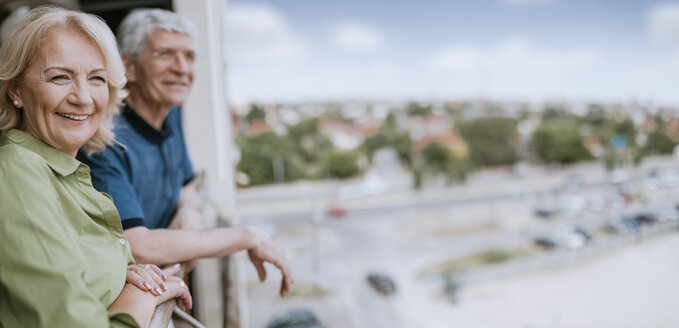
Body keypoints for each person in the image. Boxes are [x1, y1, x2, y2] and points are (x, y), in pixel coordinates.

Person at [77, 8, 293, 297]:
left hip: (163, 286)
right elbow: (137, 245)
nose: (181, 68)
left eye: (189, 57)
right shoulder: (105, 138)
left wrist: (189, 210)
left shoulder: (171, 111)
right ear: (128, 66)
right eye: (165, 54)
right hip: (115, 298)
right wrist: (247, 236)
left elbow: (186, 183)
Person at [0, 7, 191, 327]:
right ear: (15, 90)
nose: (83, 98)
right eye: (59, 76)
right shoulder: (17, 174)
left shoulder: (66, 172)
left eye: (97, 79)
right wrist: (144, 296)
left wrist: (120, 274)